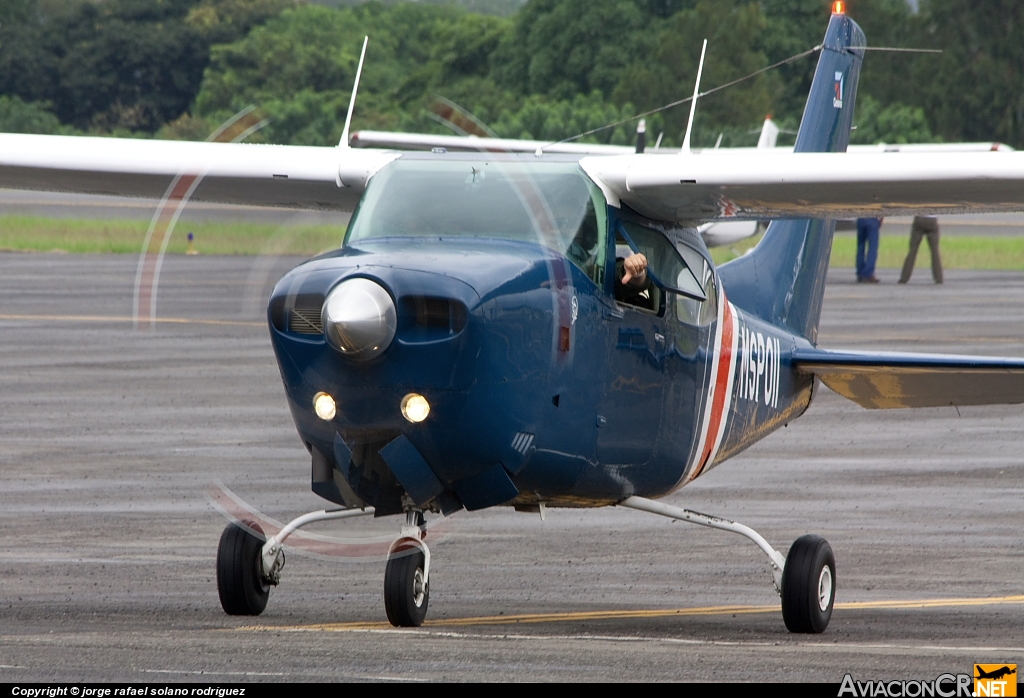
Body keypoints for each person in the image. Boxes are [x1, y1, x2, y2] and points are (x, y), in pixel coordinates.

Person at [899, 215, 943, 284]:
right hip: (932, 219)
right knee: (935, 251)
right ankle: (938, 278)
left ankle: (904, 278)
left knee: (913, 250)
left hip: (919, 218)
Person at [855, 216, 882, 283]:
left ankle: (860, 272)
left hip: (861, 218)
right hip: (872, 219)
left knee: (860, 247)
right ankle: (868, 273)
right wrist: (881, 218)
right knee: (872, 247)